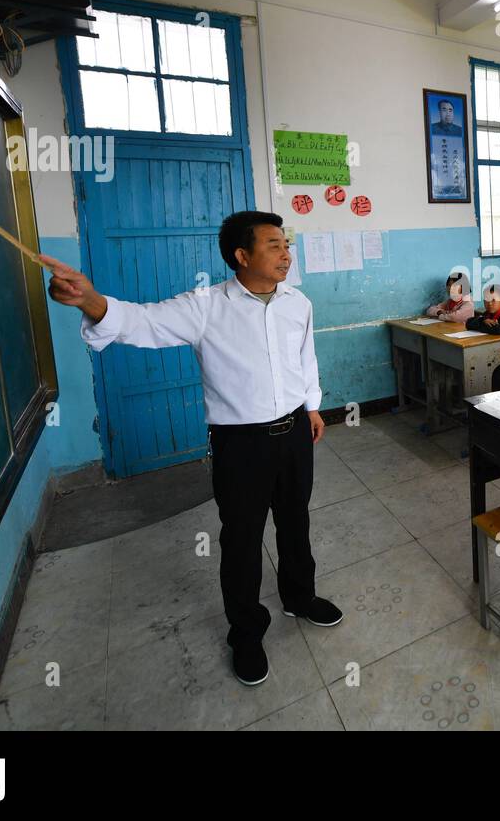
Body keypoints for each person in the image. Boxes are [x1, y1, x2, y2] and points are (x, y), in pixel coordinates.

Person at [42, 211, 340, 688]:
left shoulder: (297, 303)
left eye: (286, 244)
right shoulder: (206, 307)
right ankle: (245, 632)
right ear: (242, 256)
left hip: (294, 434)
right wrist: (92, 300)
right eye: (273, 245)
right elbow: (142, 322)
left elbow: (305, 359)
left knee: (295, 518)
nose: (286, 254)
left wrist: (312, 407)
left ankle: (299, 597)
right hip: (239, 443)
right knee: (241, 539)